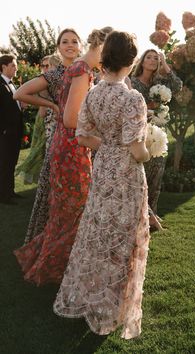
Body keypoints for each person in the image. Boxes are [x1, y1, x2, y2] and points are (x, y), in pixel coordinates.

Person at [54, 31, 150, 340]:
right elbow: (136, 149)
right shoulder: (133, 98)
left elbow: (82, 136)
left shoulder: (93, 93)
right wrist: (150, 150)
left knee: (97, 234)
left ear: (105, 57)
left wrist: (107, 147)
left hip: (102, 170)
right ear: (131, 61)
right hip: (125, 177)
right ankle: (111, 309)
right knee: (122, 240)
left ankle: (90, 298)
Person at [14, 27, 111, 285]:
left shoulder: (81, 69)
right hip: (71, 147)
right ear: (100, 47)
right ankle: (53, 268)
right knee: (72, 211)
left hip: (71, 145)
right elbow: (70, 119)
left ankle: (60, 263)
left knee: (69, 210)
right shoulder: (80, 71)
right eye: (108, 53)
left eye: (73, 41)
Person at [13, 29, 81, 244]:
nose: (69, 45)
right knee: (56, 191)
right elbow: (19, 93)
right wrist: (51, 104)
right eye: (64, 41)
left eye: (74, 41)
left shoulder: (88, 73)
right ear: (58, 47)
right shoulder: (53, 75)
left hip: (85, 138)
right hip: (63, 138)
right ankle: (52, 241)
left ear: (80, 46)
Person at [131, 49, 182, 230]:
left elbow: (177, 86)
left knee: (157, 175)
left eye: (155, 58)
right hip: (140, 134)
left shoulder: (160, 82)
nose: (152, 60)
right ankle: (143, 216)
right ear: (142, 61)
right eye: (149, 57)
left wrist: (165, 64)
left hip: (158, 134)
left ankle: (152, 212)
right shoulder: (133, 82)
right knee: (142, 175)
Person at [15, 55, 51, 184]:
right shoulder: (40, 81)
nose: (46, 68)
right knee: (37, 151)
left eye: (48, 65)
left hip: (53, 122)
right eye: (43, 66)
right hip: (41, 120)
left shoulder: (57, 80)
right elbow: (23, 94)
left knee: (45, 153)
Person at [0, 54, 24, 205]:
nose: (16, 68)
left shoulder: (12, 84)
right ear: (4, 67)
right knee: (4, 163)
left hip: (15, 132)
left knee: (12, 162)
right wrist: (3, 130)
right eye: (13, 65)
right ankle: (3, 196)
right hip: (6, 133)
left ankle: (10, 191)